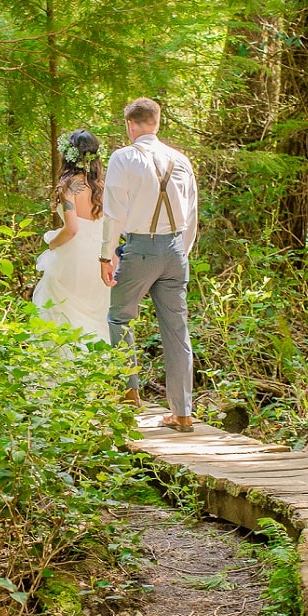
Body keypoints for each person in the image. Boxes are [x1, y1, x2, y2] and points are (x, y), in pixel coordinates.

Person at [102, 97, 202, 431]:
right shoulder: (181, 160)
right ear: (157, 123)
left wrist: (106, 255)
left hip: (140, 248)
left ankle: (129, 394)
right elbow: (191, 214)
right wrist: (180, 253)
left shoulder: (123, 158)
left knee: (119, 317)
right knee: (176, 331)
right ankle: (183, 412)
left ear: (130, 124)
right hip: (175, 250)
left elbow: (114, 211)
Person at [30, 129, 112, 345]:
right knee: (93, 317)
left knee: (63, 315)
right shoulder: (104, 187)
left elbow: (72, 229)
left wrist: (52, 243)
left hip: (73, 256)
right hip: (98, 256)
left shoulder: (69, 186)